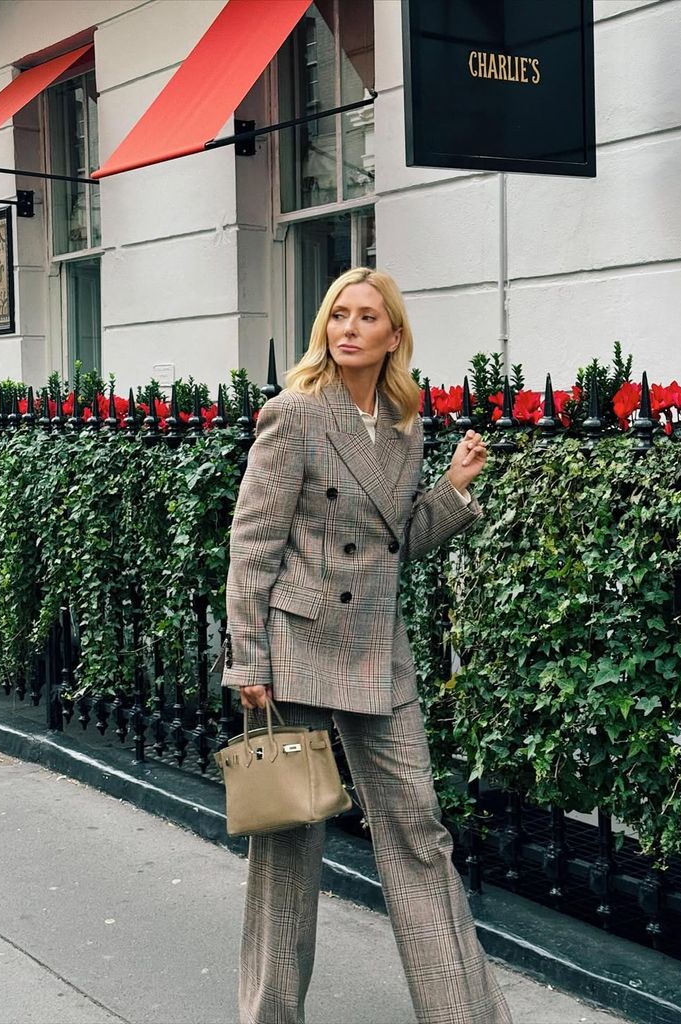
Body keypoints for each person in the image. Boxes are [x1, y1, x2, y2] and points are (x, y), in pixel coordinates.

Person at [222, 267, 513, 1024]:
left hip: (379, 653)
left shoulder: (405, 423)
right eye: (339, 315)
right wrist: (247, 658)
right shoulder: (295, 414)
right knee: (288, 847)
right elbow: (253, 544)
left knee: (420, 831)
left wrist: (451, 491)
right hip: (297, 647)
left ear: (393, 336)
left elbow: (395, 544)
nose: (349, 328)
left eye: (366, 317)